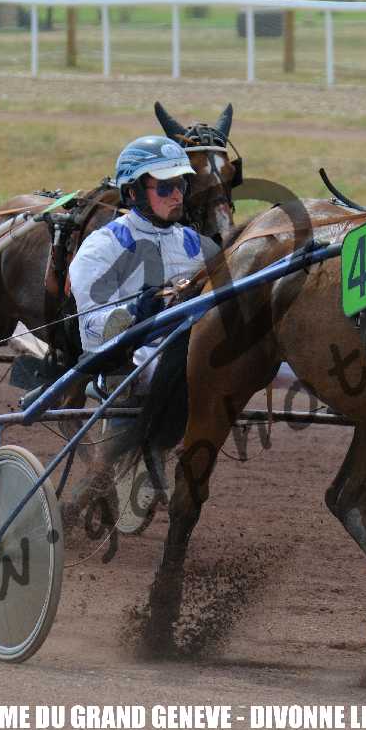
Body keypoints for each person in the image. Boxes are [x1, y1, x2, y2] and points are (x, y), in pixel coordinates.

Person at [68, 135, 219, 534]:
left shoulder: (197, 245)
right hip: (128, 362)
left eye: (181, 185)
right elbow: (92, 328)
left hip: (185, 354)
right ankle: (149, 446)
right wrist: (136, 314)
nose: (177, 195)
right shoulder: (102, 246)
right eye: (165, 187)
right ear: (133, 192)